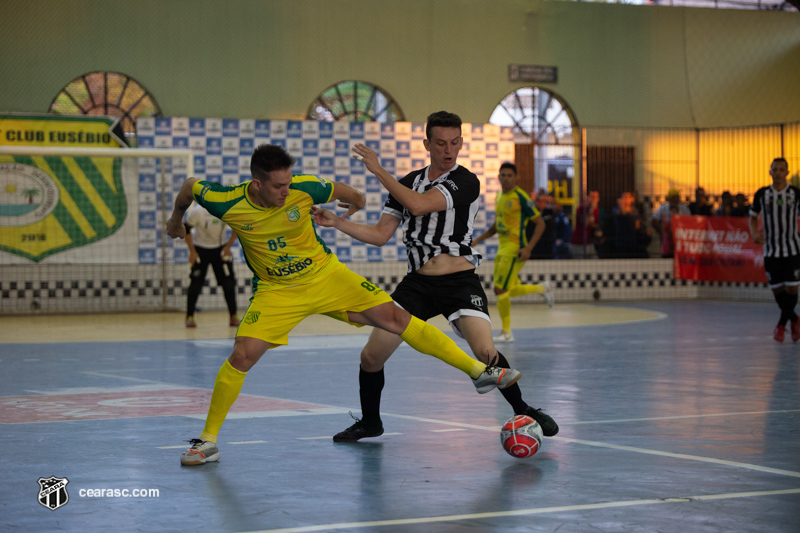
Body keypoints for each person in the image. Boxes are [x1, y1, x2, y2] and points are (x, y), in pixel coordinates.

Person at [165, 143, 523, 466]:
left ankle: (478, 372)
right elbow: (188, 186)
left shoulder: (305, 187)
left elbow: (353, 195)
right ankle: (207, 441)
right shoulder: (225, 199)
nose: (286, 191)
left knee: (395, 318)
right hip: (278, 290)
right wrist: (174, 220)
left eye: (289, 183)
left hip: (327, 276)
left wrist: (353, 205)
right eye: (278, 186)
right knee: (242, 355)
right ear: (257, 184)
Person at [311, 111, 558, 443]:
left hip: (459, 281)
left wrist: (378, 170)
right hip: (417, 284)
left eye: (455, 142)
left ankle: (524, 409)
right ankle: (371, 422)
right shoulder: (408, 181)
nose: (448, 150)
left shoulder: (466, 181)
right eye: (441, 143)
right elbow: (381, 234)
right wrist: (337, 223)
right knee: (371, 356)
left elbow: (418, 206)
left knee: (485, 353)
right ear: (427, 144)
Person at [472, 162, 554, 343]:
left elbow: (540, 223)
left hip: (515, 249)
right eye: (503, 175)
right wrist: (478, 239)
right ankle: (542, 288)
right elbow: (498, 225)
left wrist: (528, 248)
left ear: (516, 178)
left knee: (499, 288)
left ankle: (507, 332)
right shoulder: (500, 195)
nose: (506, 178)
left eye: (510, 175)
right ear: (499, 177)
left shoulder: (521, 197)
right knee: (510, 288)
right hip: (502, 248)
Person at [750, 158, 800, 343]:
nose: (778, 173)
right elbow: (753, 217)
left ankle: (781, 325)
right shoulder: (762, 194)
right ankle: (795, 319)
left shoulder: (795, 193)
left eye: (781, 169)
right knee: (778, 292)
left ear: (787, 172)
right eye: (775, 169)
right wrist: (754, 233)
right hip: (771, 251)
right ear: (769, 172)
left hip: (792, 250)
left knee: (792, 289)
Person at [183, 204, 240, 328]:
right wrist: (192, 251)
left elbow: (238, 226)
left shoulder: (225, 209)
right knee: (195, 283)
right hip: (201, 250)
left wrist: (228, 247)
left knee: (229, 283)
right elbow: (186, 229)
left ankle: (233, 316)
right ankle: (190, 317)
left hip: (220, 250)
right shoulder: (198, 211)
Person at [651, 188, 690, 258]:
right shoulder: (663, 207)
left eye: (678, 196)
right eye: (674, 197)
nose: (677, 198)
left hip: (680, 236)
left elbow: (690, 220)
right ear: (670, 198)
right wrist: (660, 231)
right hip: (667, 237)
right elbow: (654, 220)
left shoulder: (683, 207)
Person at [570, 190, 601, 258]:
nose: (593, 200)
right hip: (578, 243)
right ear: (587, 197)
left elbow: (596, 225)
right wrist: (591, 210)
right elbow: (585, 222)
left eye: (595, 197)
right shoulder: (581, 208)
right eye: (592, 197)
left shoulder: (596, 210)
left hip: (589, 242)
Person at [529, 189, 556, 259]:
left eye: (543, 201)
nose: (540, 203)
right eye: (538, 200)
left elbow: (559, 208)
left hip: (547, 247)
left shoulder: (549, 211)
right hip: (534, 248)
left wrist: (549, 198)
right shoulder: (531, 212)